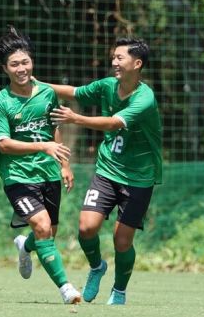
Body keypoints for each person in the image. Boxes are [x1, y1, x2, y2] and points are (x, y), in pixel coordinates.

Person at [47, 37, 162, 305]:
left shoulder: (145, 97)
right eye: (114, 57)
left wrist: (76, 119)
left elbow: (113, 123)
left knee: (122, 241)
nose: (114, 62)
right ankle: (97, 267)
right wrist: (33, 85)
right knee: (86, 228)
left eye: (120, 57)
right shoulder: (107, 86)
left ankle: (119, 290)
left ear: (137, 63)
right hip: (107, 170)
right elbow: (74, 92)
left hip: (139, 178)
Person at [0, 25, 81, 305]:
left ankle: (24, 246)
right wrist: (43, 146)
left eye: (25, 62)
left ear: (32, 63)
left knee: (47, 232)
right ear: (5, 69)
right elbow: (3, 144)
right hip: (17, 176)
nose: (21, 68)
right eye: (14, 64)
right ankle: (66, 288)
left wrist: (63, 164)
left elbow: (54, 131)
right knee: (41, 225)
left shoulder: (48, 93)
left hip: (48, 172)